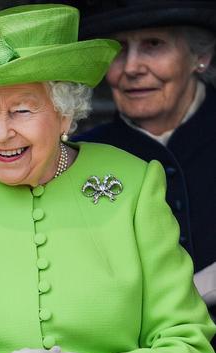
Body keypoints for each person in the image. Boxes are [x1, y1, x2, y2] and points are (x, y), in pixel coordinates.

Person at [0, 4, 216, 353]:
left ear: (65, 114)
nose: (0, 133)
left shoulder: (135, 183)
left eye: (21, 111)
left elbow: (187, 344)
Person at [67, 0, 216, 315]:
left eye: (153, 45)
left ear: (200, 56)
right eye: (119, 49)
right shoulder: (76, 157)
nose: (132, 67)